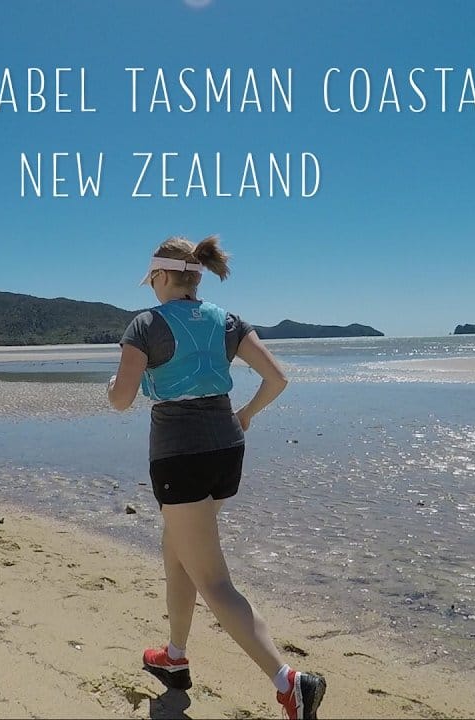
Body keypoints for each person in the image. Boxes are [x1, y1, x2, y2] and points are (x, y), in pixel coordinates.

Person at [107, 235, 327, 720]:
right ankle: (175, 656)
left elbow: (121, 401)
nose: (151, 289)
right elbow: (277, 379)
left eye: (152, 281)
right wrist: (245, 415)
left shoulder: (146, 325)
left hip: (180, 458)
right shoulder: (227, 320)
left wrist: (112, 388)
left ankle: (289, 681)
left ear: (162, 277)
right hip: (227, 449)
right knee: (177, 550)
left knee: (212, 579)